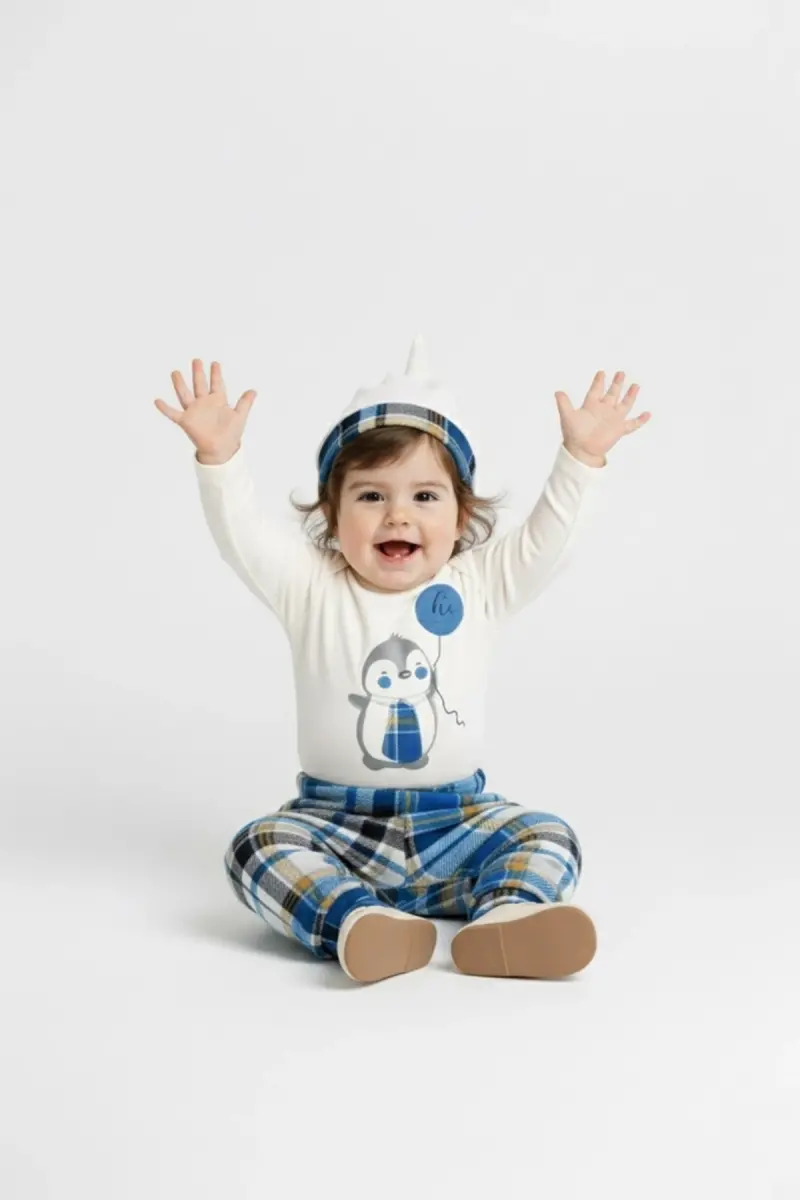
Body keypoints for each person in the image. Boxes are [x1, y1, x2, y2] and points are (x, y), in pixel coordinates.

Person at [155, 335, 651, 984]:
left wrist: (581, 459)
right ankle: (357, 920)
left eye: (425, 496)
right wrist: (219, 459)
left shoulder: (479, 584)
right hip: (336, 827)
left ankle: (508, 915)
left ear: (461, 515)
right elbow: (242, 537)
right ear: (332, 515)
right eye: (370, 496)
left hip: (457, 824)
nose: (397, 515)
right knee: (256, 847)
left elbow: (547, 542)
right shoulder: (311, 588)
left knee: (546, 835)